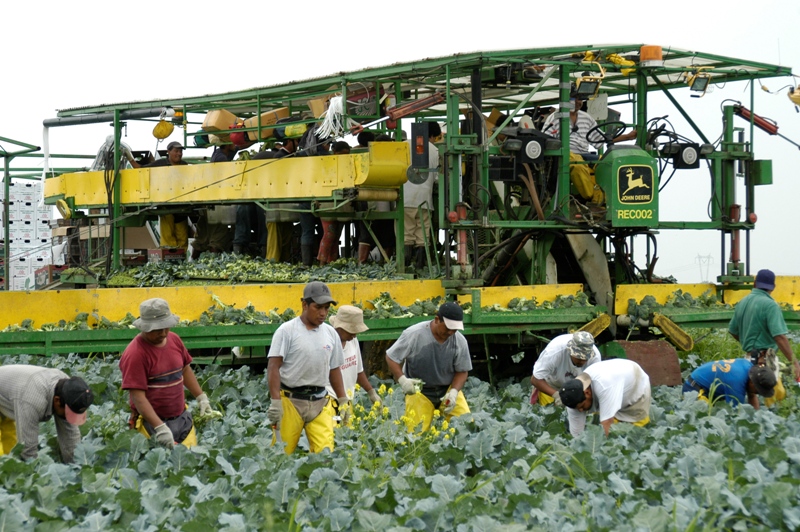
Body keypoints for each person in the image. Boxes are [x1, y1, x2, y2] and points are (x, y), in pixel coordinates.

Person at [120, 298, 216, 449]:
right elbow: (138, 397)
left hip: (182, 419)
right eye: (158, 329)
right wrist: (160, 428)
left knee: (189, 466)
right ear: (145, 327)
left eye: (166, 327)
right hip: (151, 425)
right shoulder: (135, 354)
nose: (164, 333)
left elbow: (184, 369)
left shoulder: (175, 340)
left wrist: (201, 397)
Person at [267, 281, 349, 454]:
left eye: (327, 308)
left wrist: (343, 400)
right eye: (318, 307)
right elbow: (273, 367)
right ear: (304, 304)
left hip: (320, 400)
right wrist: (275, 402)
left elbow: (334, 369)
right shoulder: (287, 331)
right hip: (290, 401)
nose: (323, 313)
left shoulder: (330, 333)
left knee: (326, 454)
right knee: (280, 454)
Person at [386, 302, 472, 432]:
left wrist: (453, 393)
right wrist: (403, 381)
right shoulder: (414, 334)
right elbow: (391, 357)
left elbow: (462, 371)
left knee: (466, 426)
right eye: (448, 328)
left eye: (454, 330)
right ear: (437, 319)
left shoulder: (459, 341)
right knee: (415, 435)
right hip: (419, 390)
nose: (450, 332)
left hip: (447, 389)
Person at [542, 92, 636, 204]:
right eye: (574, 98)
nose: (578, 102)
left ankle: (615, 200)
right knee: (577, 165)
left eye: (580, 99)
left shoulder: (586, 118)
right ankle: (593, 198)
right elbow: (545, 140)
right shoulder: (555, 117)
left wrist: (628, 137)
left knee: (609, 163)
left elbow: (601, 139)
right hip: (565, 154)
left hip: (584, 154)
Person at [729, 269, 800, 403]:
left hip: (748, 358)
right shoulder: (770, 305)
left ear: (754, 283)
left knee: (752, 393)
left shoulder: (742, 302)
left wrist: (747, 343)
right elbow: (780, 337)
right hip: (765, 359)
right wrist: (795, 363)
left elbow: (733, 330)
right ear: (773, 287)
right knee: (774, 397)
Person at [0, 366, 94, 462]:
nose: (69, 417)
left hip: (10, 396)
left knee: (10, 449)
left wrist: (77, 467)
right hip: (21, 395)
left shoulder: (68, 388)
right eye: (69, 413)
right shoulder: (33, 400)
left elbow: (70, 436)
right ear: (57, 400)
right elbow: (28, 450)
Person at [559, 358, 651, 437]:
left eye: (582, 406)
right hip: (613, 384)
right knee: (614, 427)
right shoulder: (573, 397)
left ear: (587, 392)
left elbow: (607, 422)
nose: (580, 410)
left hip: (635, 382)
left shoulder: (604, 386)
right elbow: (576, 434)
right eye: (577, 408)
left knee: (636, 431)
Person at [325, 305, 381, 422]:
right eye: (351, 331)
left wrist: (371, 392)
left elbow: (358, 370)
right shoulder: (327, 345)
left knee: (346, 436)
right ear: (339, 327)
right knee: (332, 435)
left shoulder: (352, 341)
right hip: (328, 402)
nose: (354, 335)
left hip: (346, 400)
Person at [404, 122, 441, 270]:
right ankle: (420, 266)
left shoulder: (404, 145)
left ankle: (405, 266)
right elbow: (438, 178)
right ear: (431, 135)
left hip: (404, 199)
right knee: (423, 235)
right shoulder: (435, 150)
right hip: (425, 199)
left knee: (406, 233)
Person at [530, 331, 601, 406]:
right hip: (551, 387)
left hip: (577, 391)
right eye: (578, 358)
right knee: (549, 414)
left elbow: (594, 385)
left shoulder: (595, 357)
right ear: (570, 351)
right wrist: (557, 396)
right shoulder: (554, 352)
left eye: (585, 358)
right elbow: (535, 379)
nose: (582, 361)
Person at [192, 144, 237, 259]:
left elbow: (238, 147)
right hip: (217, 202)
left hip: (210, 201)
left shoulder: (220, 153)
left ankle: (192, 261)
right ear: (227, 145)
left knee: (201, 237)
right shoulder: (221, 158)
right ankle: (212, 264)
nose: (235, 145)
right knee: (217, 236)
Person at [144, 141, 191, 248]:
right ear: (168, 152)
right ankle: (169, 258)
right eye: (176, 151)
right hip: (166, 205)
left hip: (182, 206)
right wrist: (130, 158)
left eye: (180, 151)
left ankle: (182, 259)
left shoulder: (184, 165)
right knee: (167, 238)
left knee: (182, 237)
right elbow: (141, 169)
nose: (179, 154)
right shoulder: (160, 164)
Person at [683, 358, 776, 409]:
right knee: (707, 419)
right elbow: (733, 415)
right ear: (752, 383)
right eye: (758, 391)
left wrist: (757, 416)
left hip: (706, 386)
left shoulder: (748, 368)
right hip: (693, 389)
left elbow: (751, 395)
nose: (757, 393)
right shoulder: (736, 384)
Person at [317, 141, 352, 265]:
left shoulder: (348, 166)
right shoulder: (327, 165)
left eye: (347, 154)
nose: (344, 156)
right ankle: (322, 261)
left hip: (341, 204)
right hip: (328, 204)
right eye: (341, 154)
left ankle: (331, 261)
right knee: (329, 234)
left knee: (335, 235)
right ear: (334, 152)